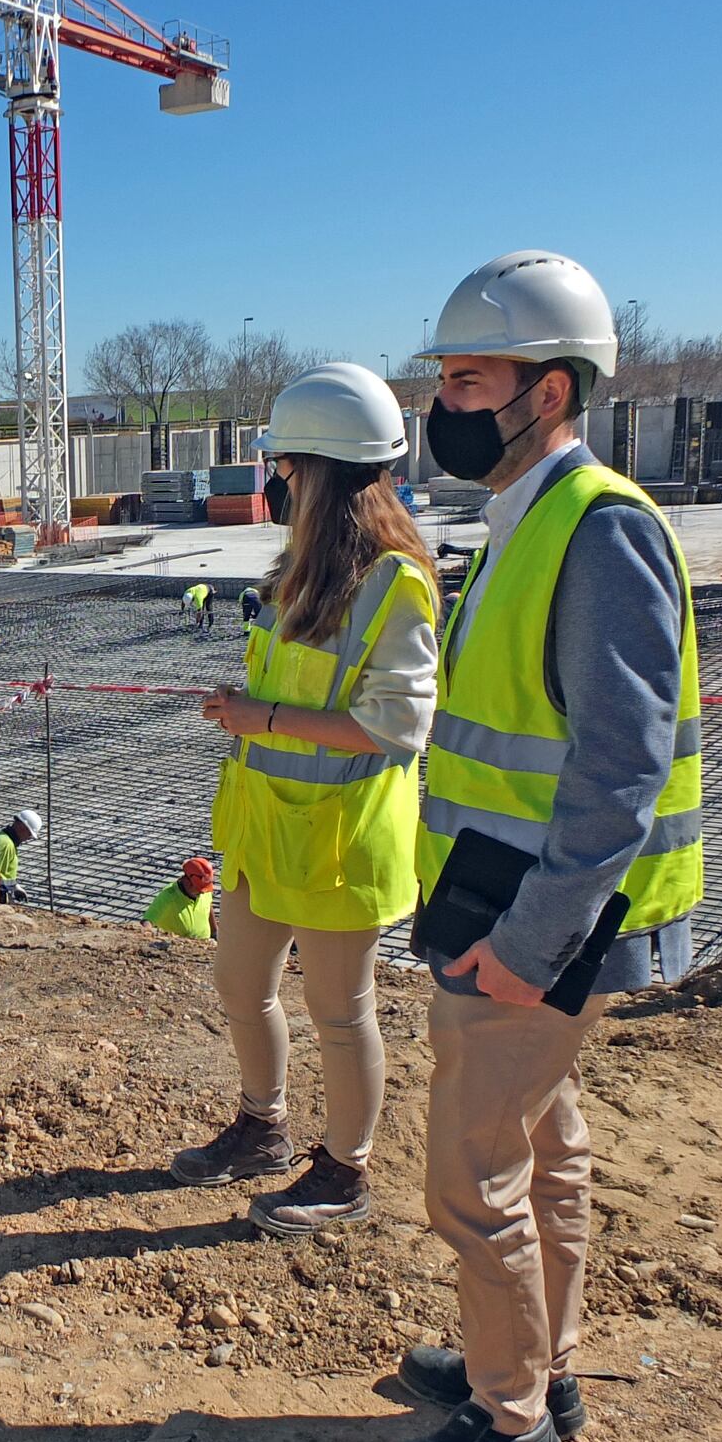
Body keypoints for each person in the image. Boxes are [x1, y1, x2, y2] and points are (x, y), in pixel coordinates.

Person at [383, 250, 703, 1442]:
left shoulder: (599, 526)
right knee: (545, 1145)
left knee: (474, 1170)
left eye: (470, 377)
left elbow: (617, 770)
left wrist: (530, 943)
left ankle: (510, 1415)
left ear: (552, 390)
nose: (446, 403)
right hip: (500, 895)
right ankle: (542, 1362)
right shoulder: (525, 516)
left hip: (536, 919)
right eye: (444, 378)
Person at [176, 365, 438, 1247]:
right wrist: (245, 710)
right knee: (240, 984)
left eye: (285, 467)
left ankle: (345, 1167)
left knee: (340, 1010)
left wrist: (268, 717)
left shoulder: (394, 586)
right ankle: (263, 1125)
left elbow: (398, 727)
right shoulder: (296, 571)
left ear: (322, 469)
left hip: (338, 843)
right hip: (264, 830)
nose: (275, 480)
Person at [0, 808, 41, 903]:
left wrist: (14, 886)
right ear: (22, 827)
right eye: (29, 834)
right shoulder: (5, 843)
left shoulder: (3, 837)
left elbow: (2, 871)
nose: (28, 838)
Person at [144, 856, 218, 940]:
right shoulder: (169, 895)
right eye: (198, 888)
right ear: (187, 880)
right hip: (176, 947)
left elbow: (208, 906)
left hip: (205, 946)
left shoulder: (205, 890)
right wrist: (147, 938)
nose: (202, 892)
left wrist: (215, 932)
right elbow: (147, 920)